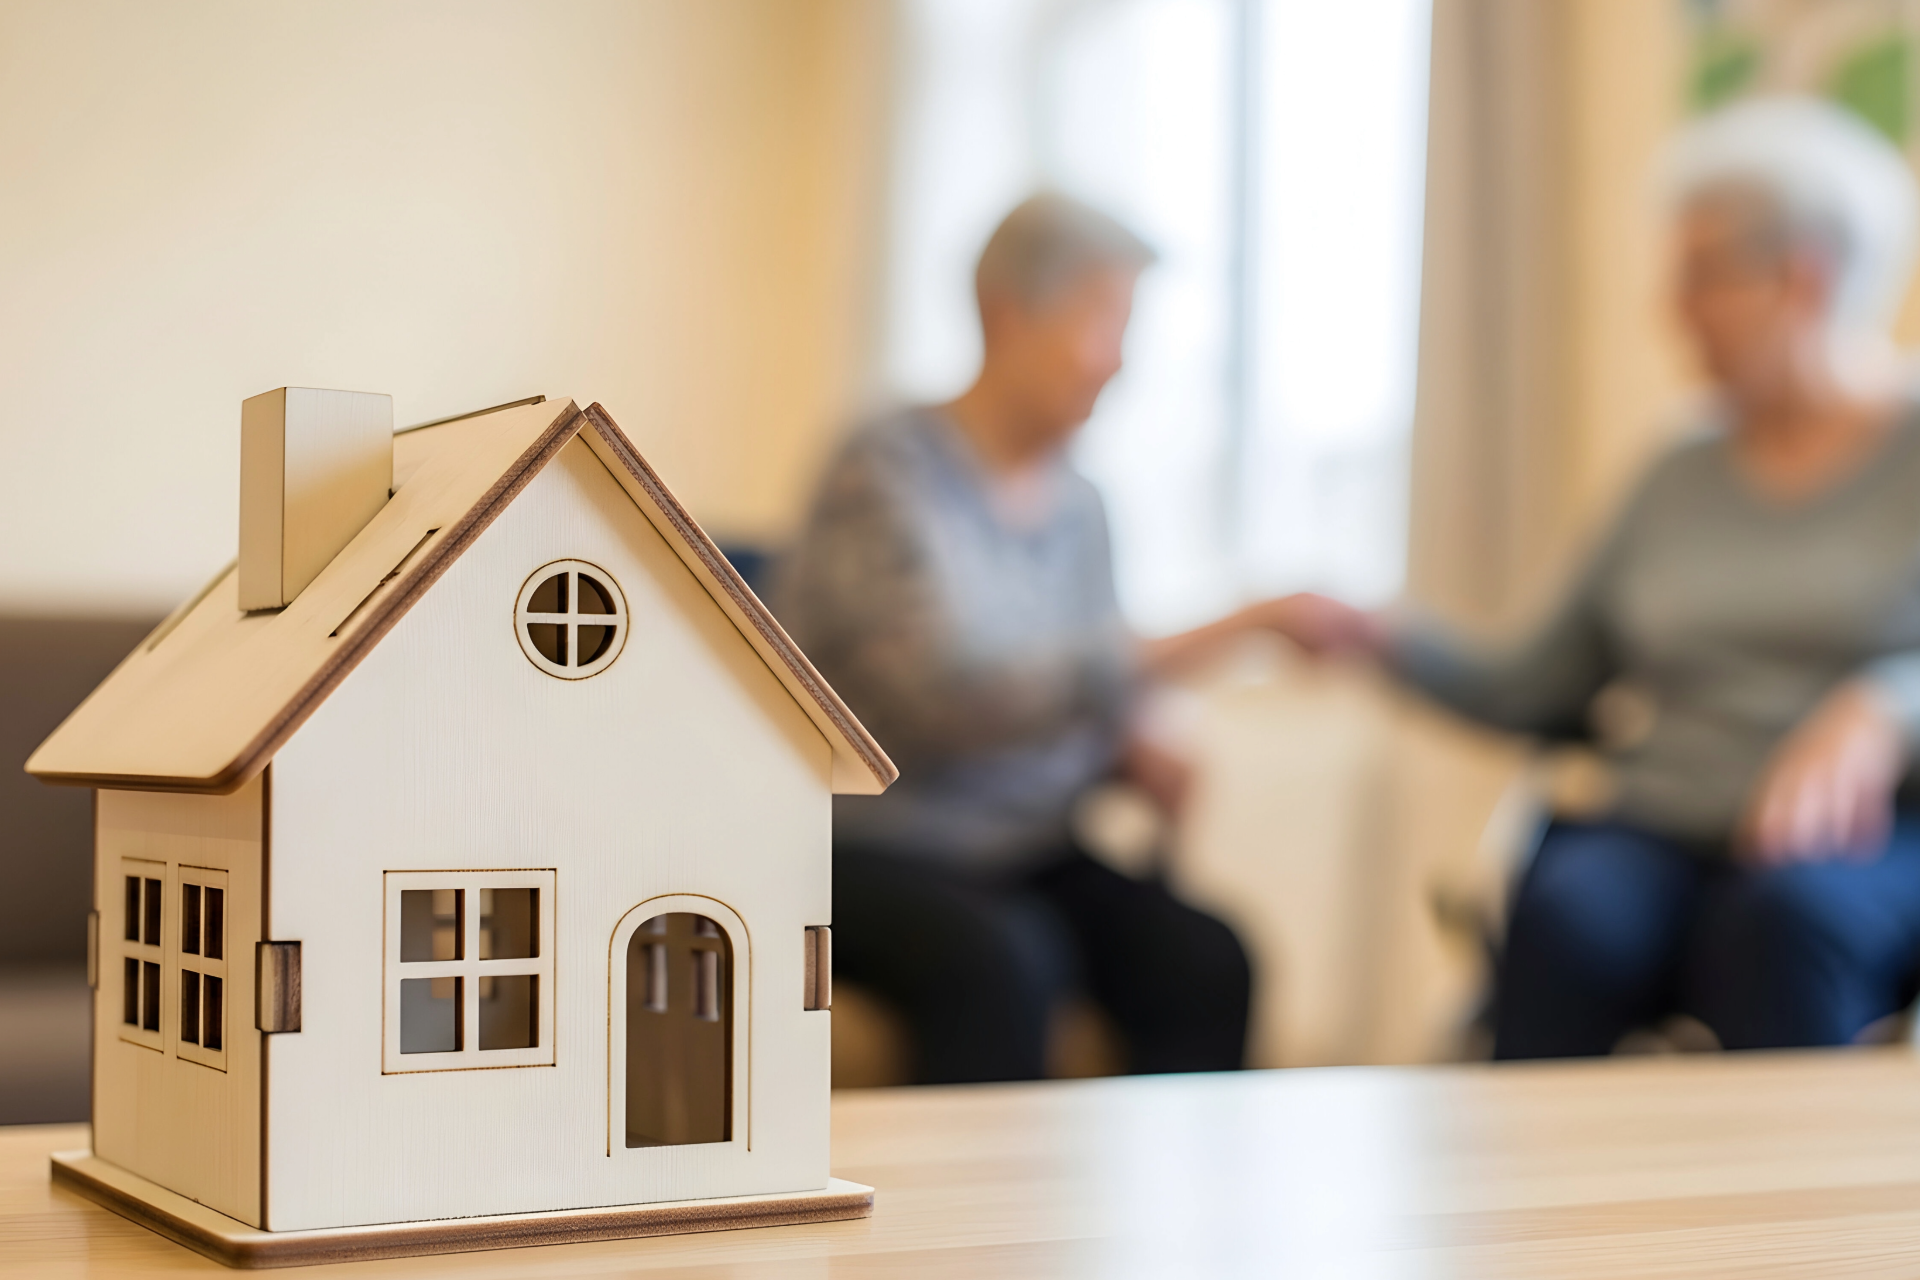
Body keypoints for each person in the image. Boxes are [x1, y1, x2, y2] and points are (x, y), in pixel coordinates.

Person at [1268, 96, 1920, 1059]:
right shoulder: (1676, 474)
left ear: (1801, 279)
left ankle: (1793, 1214)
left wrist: (1888, 703)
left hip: (1867, 839)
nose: (1672, 309)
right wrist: (1379, 637)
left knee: (1784, 928)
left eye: (1701, 274)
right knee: (1568, 919)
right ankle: (1538, 1207)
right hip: (1664, 819)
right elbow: (1541, 681)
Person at [777, 194, 1286, 1083]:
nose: (1117, 362)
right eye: (1102, 324)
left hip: (1029, 842)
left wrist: (1132, 738)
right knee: (1006, 962)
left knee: (1208, 958)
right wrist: (1229, 629)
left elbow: (1086, 690)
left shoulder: (1084, 505)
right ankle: (970, 1223)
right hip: (873, 842)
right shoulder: (885, 467)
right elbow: (948, 694)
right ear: (1009, 314)